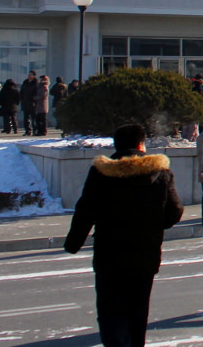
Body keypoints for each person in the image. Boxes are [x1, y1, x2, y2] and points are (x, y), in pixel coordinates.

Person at [64, 124, 184, 347]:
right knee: (138, 312)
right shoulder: (159, 172)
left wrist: (73, 243)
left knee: (110, 311)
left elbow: (86, 210)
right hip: (145, 253)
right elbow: (175, 210)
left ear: (116, 145)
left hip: (109, 253)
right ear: (141, 144)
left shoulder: (101, 172)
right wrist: (155, 225)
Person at [20, 71, 38, 135]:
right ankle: (27, 131)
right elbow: (21, 92)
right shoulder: (25, 83)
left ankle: (35, 130)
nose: (29, 76)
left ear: (34, 76)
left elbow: (37, 93)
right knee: (26, 118)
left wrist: (33, 99)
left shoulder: (36, 83)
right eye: (29, 75)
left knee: (34, 118)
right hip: (25, 102)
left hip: (32, 103)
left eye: (30, 75)